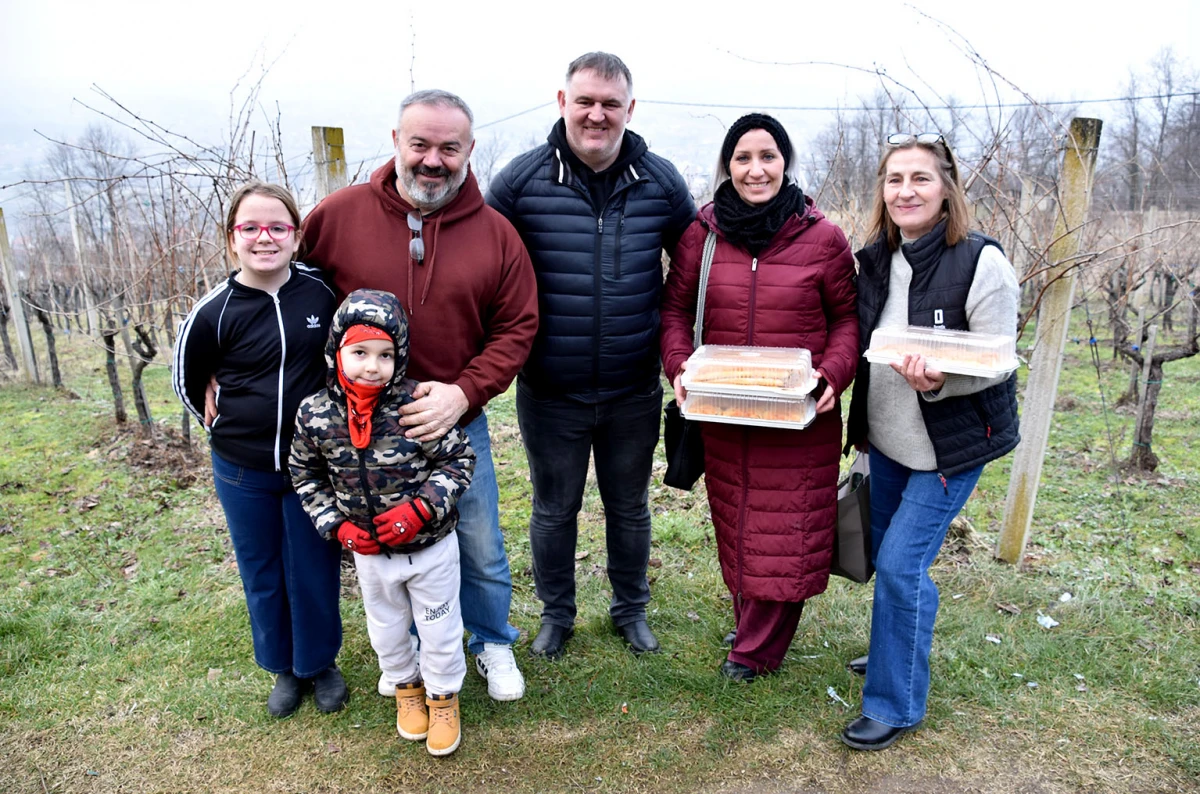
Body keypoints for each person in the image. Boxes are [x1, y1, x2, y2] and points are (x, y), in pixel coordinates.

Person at [301, 89, 538, 702]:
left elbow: (518, 328)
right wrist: (225, 363)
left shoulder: (497, 236)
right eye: (421, 144)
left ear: (469, 151)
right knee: (383, 545)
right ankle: (403, 653)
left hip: (454, 423)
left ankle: (491, 640)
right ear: (396, 142)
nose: (434, 160)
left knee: (480, 542)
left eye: (449, 148)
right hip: (361, 427)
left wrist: (464, 393)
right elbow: (287, 298)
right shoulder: (336, 216)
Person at [486, 52, 696, 660]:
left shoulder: (661, 182)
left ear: (630, 109)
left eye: (610, 104)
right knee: (555, 510)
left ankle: (630, 610)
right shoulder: (521, 182)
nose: (597, 115)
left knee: (629, 508)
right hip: (551, 388)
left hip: (633, 388)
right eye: (586, 102)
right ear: (562, 102)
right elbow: (481, 264)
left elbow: (696, 270)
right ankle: (558, 614)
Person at [660, 113, 859, 681]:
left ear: (785, 163)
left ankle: (755, 652)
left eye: (768, 156)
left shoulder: (822, 239)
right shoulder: (702, 235)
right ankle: (749, 622)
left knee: (787, 528)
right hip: (725, 408)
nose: (756, 169)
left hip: (799, 414)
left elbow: (847, 320)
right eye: (743, 157)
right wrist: (678, 367)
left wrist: (833, 376)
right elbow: (674, 311)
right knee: (740, 519)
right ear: (728, 165)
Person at [840, 133, 1020, 750]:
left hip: (949, 446)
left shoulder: (980, 261)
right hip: (888, 441)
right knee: (896, 562)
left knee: (897, 565)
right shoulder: (874, 260)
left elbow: (998, 361)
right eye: (894, 179)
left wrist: (942, 379)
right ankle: (899, 646)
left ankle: (894, 702)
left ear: (947, 188)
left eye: (920, 178)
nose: (905, 190)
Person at [172, 181, 345, 718]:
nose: (264, 238)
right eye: (250, 228)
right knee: (262, 570)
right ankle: (283, 669)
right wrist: (220, 425)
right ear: (232, 239)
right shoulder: (214, 312)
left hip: (309, 468)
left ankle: (320, 664)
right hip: (242, 470)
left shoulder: (322, 293)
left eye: (277, 227)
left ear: (296, 237)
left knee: (314, 565)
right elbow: (186, 379)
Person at [290, 288, 474, 757]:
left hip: (430, 548)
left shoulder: (416, 404)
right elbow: (304, 474)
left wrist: (420, 509)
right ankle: (406, 687)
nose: (372, 366)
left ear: (401, 356)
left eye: (385, 355)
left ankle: (443, 695)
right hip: (369, 553)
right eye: (359, 353)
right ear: (336, 352)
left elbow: (459, 461)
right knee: (387, 627)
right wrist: (337, 526)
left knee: (438, 624)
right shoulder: (314, 415)